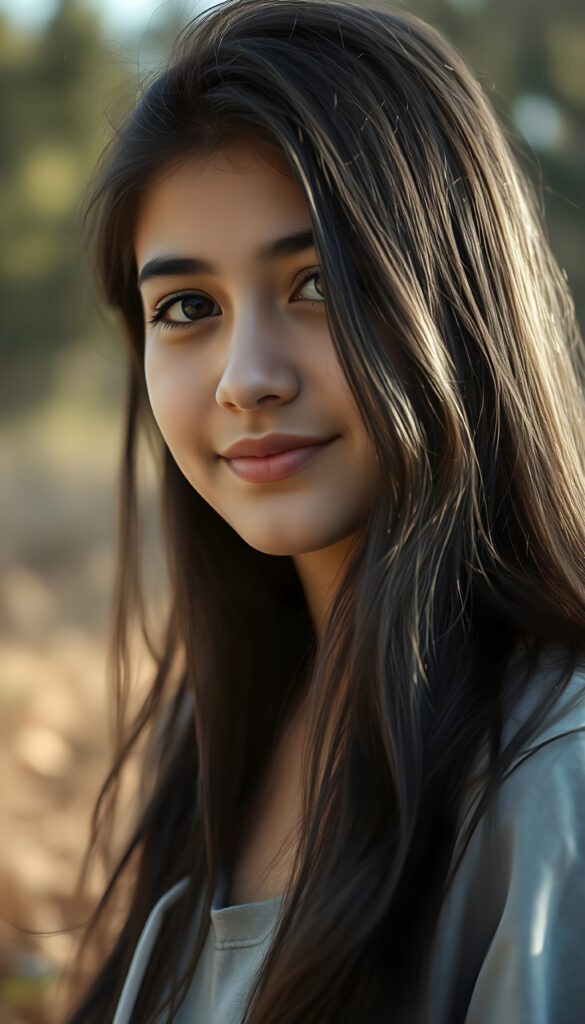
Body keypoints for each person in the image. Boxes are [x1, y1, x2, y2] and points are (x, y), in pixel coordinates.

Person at [62, 0, 585, 1021]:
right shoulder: (218, 730)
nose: (244, 379)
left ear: (459, 300)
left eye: (316, 284)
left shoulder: (552, 780)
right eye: (188, 308)